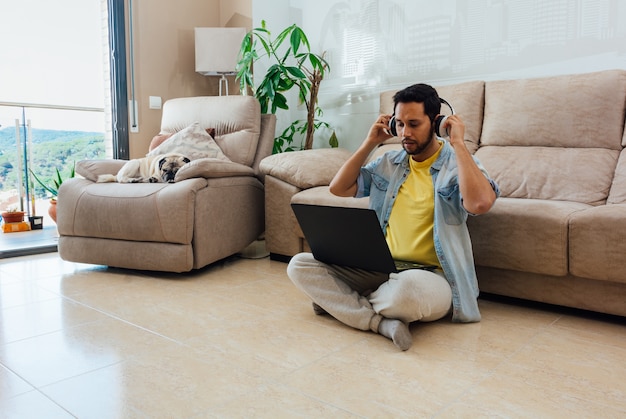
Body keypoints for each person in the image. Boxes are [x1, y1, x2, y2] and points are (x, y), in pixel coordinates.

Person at [287, 83, 500, 350]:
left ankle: (342, 304)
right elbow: (338, 188)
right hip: (380, 270)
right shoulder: (390, 162)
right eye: (399, 124)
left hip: (429, 278)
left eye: (413, 124)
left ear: (436, 123)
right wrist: (369, 142)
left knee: (407, 293)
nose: (405, 133)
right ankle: (381, 323)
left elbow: (480, 203)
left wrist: (458, 143)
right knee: (299, 265)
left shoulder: (456, 163)